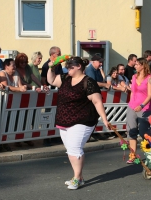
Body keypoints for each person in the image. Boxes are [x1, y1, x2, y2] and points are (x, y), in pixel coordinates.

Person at [47, 56, 109, 190]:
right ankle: (79, 177)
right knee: (70, 150)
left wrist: (104, 119)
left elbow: (97, 101)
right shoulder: (64, 78)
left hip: (83, 119)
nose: (68, 68)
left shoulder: (89, 81)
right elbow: (51, 80)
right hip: (64, 119)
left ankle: (76, 178)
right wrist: (51, 67)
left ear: (79, 67)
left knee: (75, 148)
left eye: (70, 66)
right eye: (67, 66)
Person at [126, 58, 151, 164]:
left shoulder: (149, 78)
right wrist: (131, 103)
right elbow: (133, 92)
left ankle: (150, 152)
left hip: (144, 107)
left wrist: (142, 105)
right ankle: (133, 155)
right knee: (131, 130)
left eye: (137, 64)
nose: (135, 66)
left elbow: (150, 95)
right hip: (132, 106)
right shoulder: (134, 76)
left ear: (143, 65)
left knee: (144, 132)